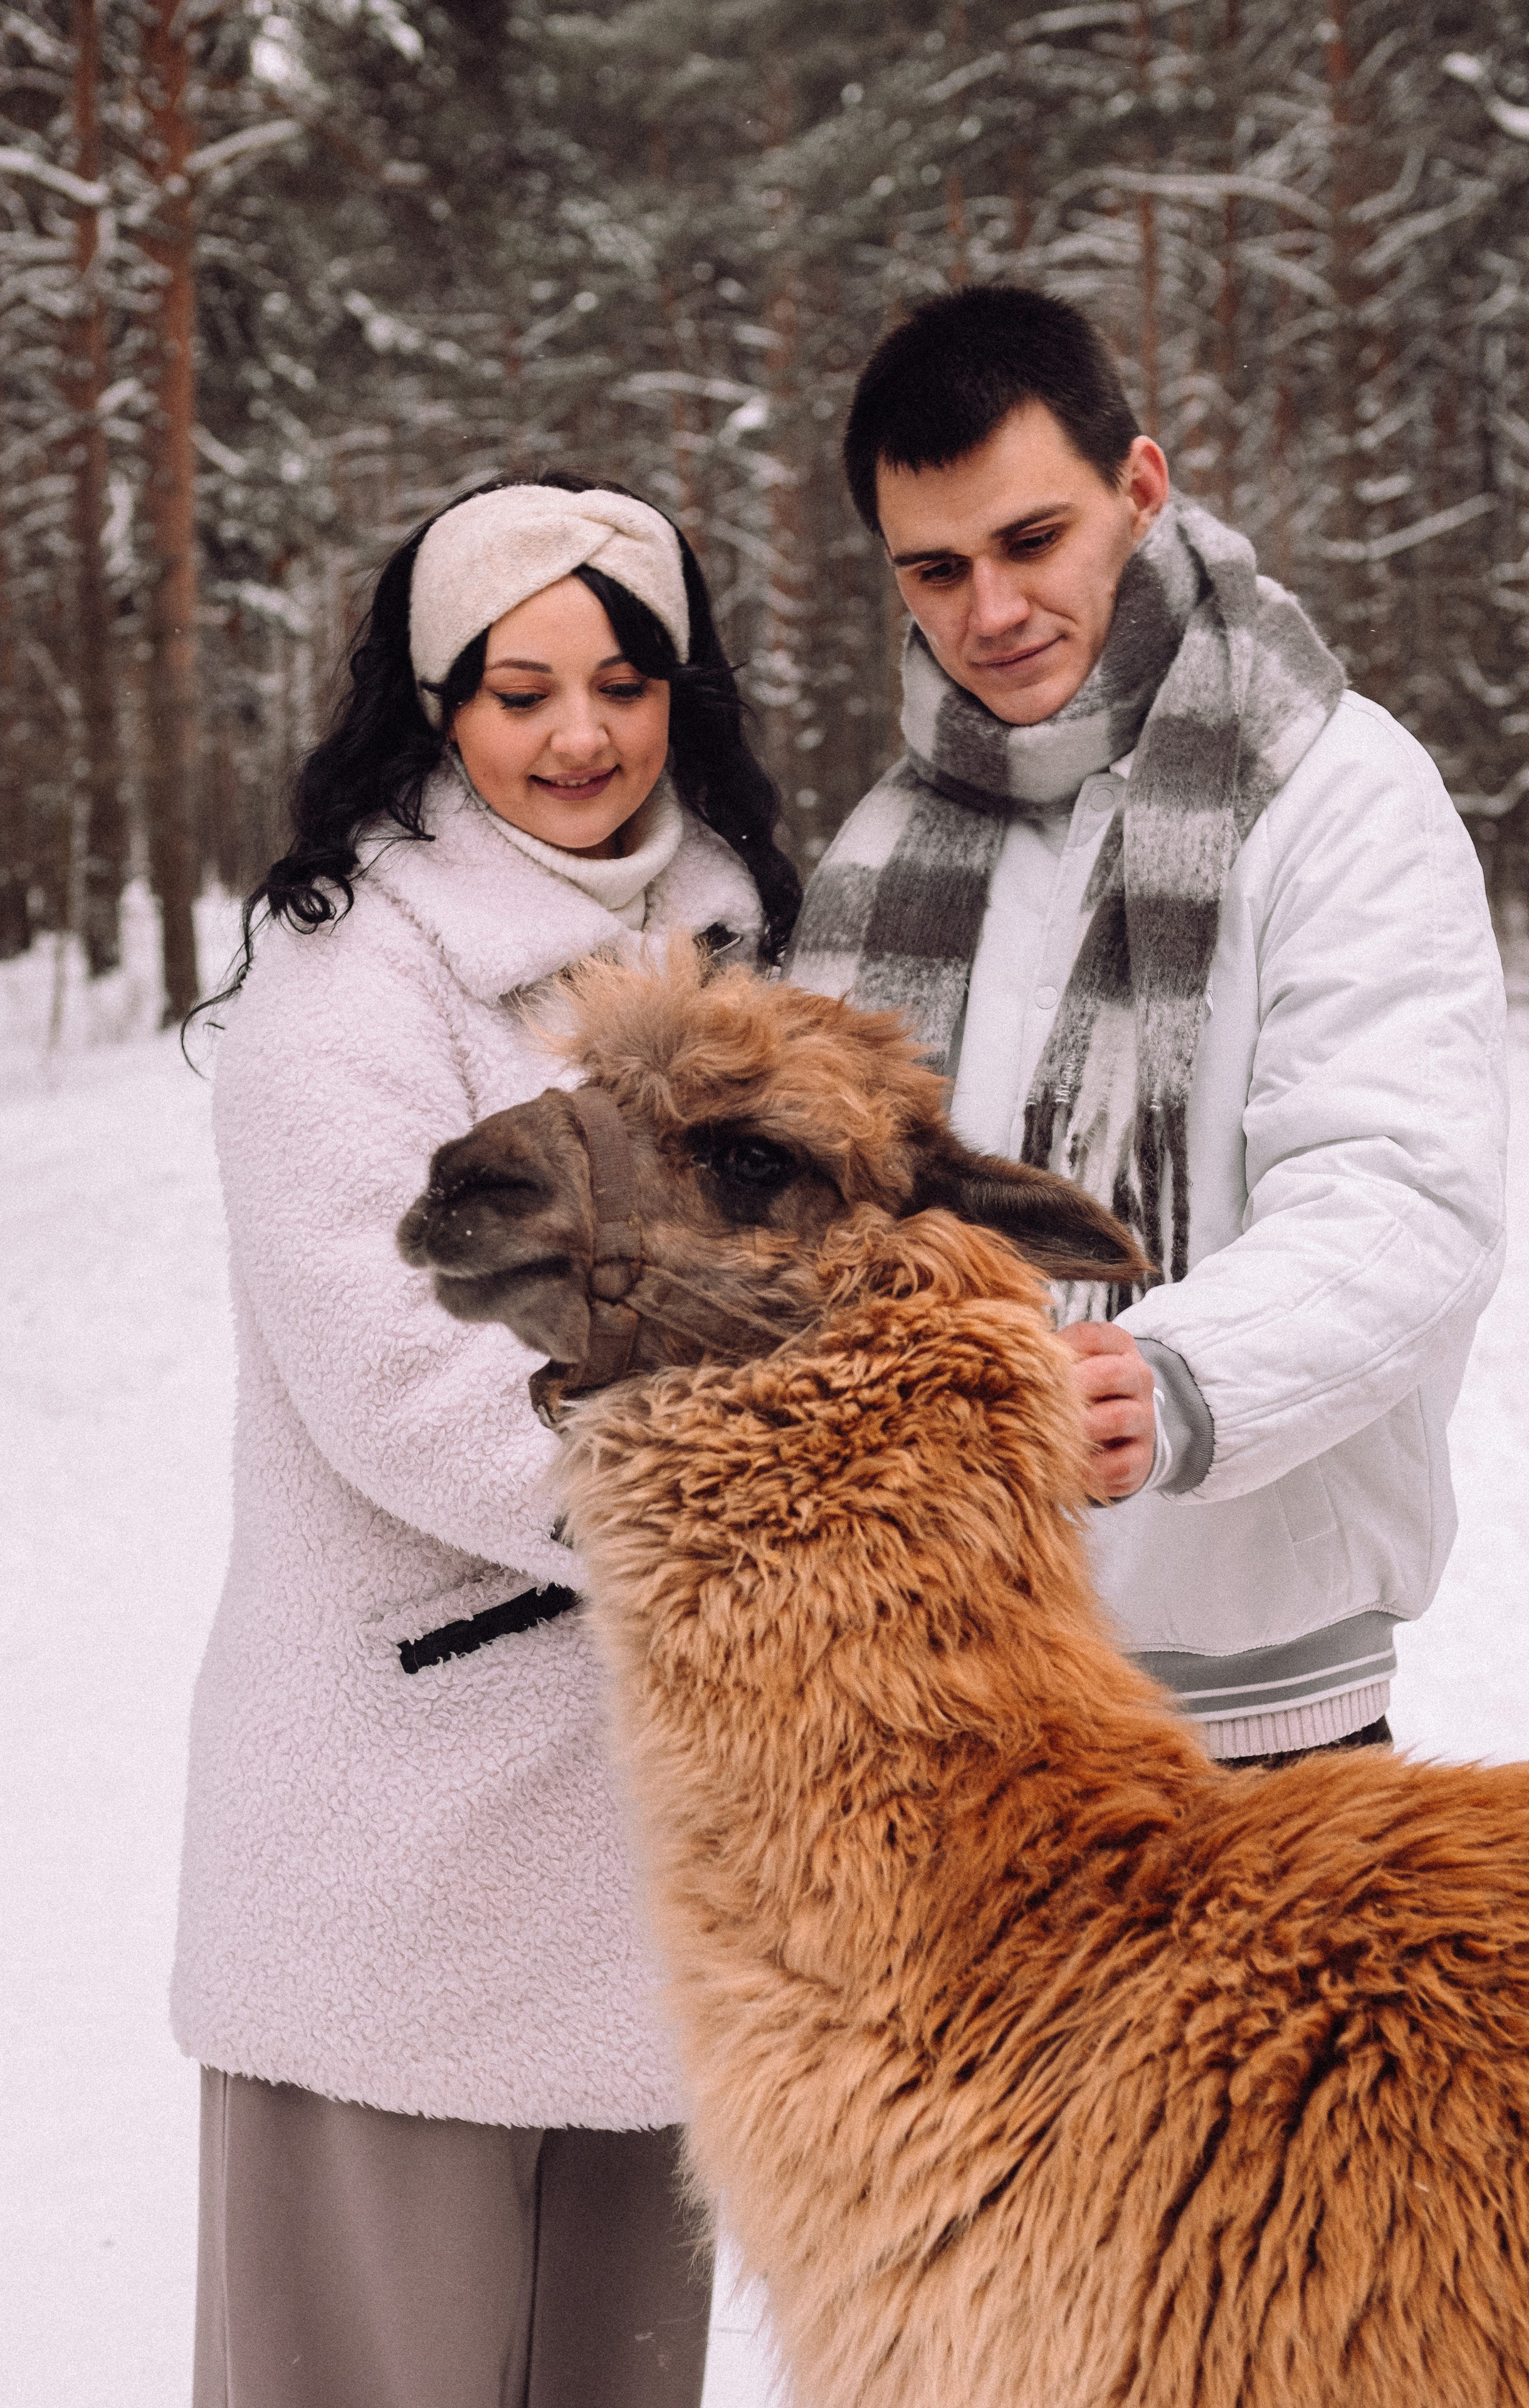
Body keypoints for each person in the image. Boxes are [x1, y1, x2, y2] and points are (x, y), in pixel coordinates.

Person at [172, 474, 800, 2408]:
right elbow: (406, 1369)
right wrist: (764, 1509)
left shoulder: (737, 936)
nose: (584, 735)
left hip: (659, 1850)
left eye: (625, 679)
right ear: (434, 700)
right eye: (520, 689)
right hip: (409, 1848)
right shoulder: (350, 968)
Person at [789, 285, 1506, 1767]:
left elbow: (1400, 1189)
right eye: (931, 569)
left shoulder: (1335, 791)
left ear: (1138, 485)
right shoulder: (878, 856)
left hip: (1257, 1729)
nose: (986, 614)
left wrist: (1174, 1383)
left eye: (1030, 540)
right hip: (939, 1714)